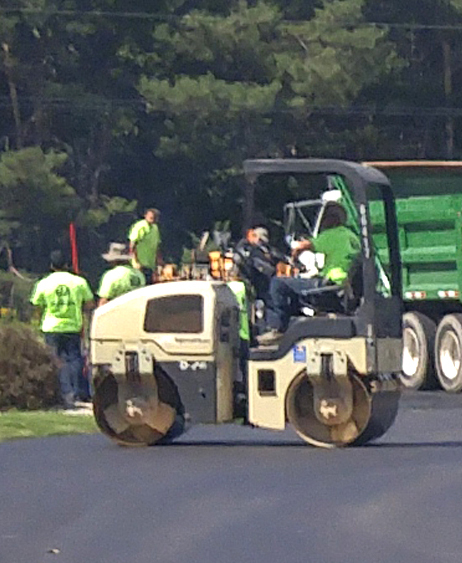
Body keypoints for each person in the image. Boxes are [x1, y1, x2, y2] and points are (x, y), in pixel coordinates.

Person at [258, 202, 361, 344]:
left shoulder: (332, 235)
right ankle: (294, 326)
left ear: (331, 219)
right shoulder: (352, 237)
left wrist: (293, 257)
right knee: (295, 286)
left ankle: (279, 329)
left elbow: (304, 246)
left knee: (278, 283)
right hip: (343, 288)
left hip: (328, 287)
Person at [30, 250, 95, 409]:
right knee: (75, 359)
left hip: (51, 326)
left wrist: (38, 322)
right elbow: (89, 304)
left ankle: (64, 394)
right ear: (67, 265)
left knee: (56, 360)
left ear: (51, 265)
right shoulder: (79, 282)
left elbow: (37, 306)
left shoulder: (44, 283)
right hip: (73, 326)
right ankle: (79, 391)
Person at [97, 242, 146, 306]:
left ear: (113, 260)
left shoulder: (110, 276)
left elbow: (104, 302)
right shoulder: (139, 275)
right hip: (136, 311)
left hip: (118, 313)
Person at [128, 208, 162, 284]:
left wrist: (159, 261)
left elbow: (157, 246)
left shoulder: (155, 228)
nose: (152, 219)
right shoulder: (140, 226)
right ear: (145, 216)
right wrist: (135, 261)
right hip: (140, 264)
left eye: (155, 217)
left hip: (150, 264)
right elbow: (133, 243)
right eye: (151, 216)